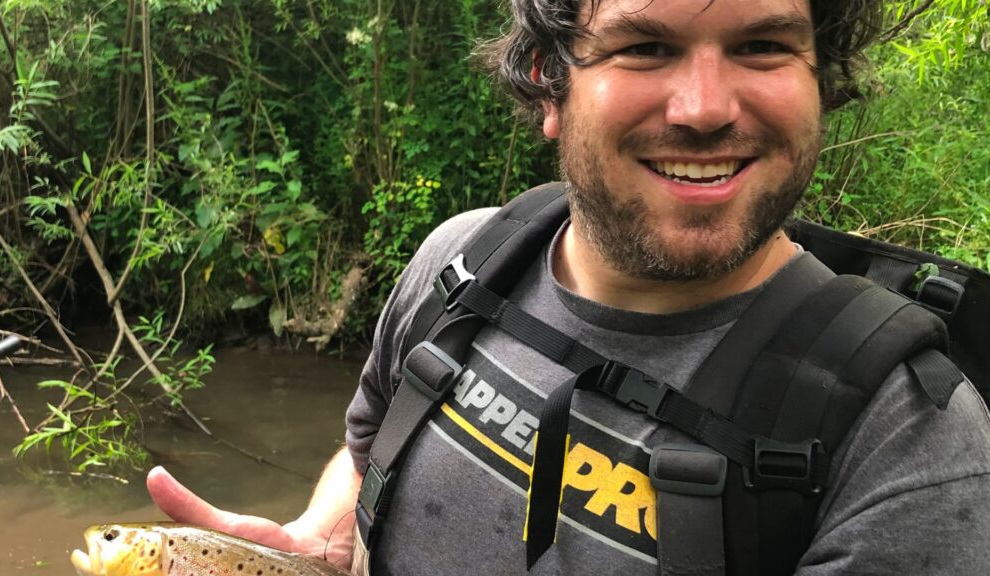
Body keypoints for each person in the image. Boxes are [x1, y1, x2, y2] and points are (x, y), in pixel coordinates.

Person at [148, 0, 990, 574]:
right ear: (551, 82)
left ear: (821, 78)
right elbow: (368, 451)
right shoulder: (463, 262)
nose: (703, 107)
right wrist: (311, 545)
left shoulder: (908, 443)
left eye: (763, 44)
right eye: (645, 46)